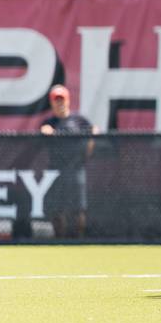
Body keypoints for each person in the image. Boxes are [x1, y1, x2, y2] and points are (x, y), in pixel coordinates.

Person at [39, 84, 98, 238]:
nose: (60, 103)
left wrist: (87, 151)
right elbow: (44, 133)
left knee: (78, 209)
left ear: (68, 100)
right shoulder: (50, 122)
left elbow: (93, 132)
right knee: (57, 209)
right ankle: (60, 240)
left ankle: (79, 239)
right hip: (56, 171)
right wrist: (48, 132)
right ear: (51, 103)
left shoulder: (79, 120)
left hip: (76, 170)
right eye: (56, 100)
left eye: (62, 99)